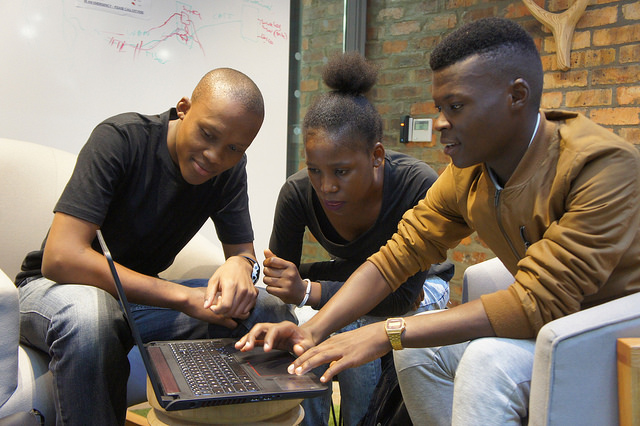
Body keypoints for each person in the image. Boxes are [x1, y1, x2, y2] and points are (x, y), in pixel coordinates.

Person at [236, 17, 640, 425]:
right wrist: (313, 330)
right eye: (439, 108)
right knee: (414, 351)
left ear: (516, 96)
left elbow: (539, 301)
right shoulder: (471, 171)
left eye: (456, 106)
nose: (442, 122)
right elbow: (398, 255)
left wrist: (386, 332)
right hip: (550, 326)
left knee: (485, 360)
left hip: (618, 331)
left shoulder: (601, 167)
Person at [15, 68, 295, 425]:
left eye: (234, 148)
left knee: (265, 308)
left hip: (138, 302)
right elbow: (61, 257)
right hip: (56, 290)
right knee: (92, 314)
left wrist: (240, 265)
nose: (215, 156)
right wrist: (183, 298)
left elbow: (244, 254)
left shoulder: (229, 170)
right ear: (183, 108)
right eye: (207, 134)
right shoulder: (120, 139)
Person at [261, 52, 453, 425]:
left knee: (352, 321)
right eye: (315, 170)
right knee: (300, 330)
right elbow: (282, 282)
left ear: (377, 156)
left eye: (342, 171)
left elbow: (400, 297)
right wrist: (298, 290)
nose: (326, 186)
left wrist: (308, 288)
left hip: (424, 284)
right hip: (371, 281)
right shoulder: (297, 193)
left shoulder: (417, 184)